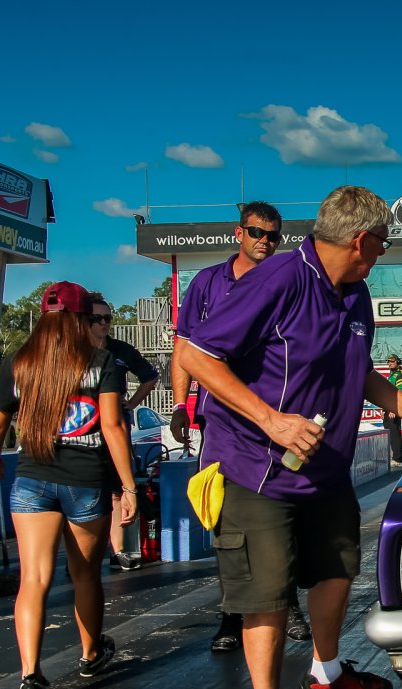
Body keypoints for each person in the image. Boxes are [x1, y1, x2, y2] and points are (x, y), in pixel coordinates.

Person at [179, 185, 402, 689]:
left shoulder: (356, 295)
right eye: (383, 243)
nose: (384, 254)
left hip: (325, 469)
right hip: (256, 468)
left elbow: (359, 373)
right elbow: (194, 354)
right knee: (267, 591)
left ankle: (326, 670)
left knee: (338, 567)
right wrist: (271, 420)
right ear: (361, 239)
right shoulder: (279, 279)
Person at [0, 282, 138, 689]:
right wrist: (128, 486)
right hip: (86, 482)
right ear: (81, 319)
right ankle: (90, 654)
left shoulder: (19, 362)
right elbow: (113, 427)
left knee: (33, 579)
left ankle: (31, 675)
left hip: (32, 479)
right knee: (85, 574)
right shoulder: (102, 362)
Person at [168, 202, 311, 651]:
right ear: (238, 233)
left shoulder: (289, 279)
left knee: (281, 518)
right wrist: (179, 403)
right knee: (226, 522)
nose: (264, 241)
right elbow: (184, 346)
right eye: (256, 233)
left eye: (273, 236)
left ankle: (287, 605)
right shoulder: (208, 283)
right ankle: (232, 615)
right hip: (224, 423)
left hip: (278, 420)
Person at [88, 293, 159, 571]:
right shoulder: (72, 352)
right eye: (97, 319)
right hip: (80, 433)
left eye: (108, 318)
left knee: (117, 491)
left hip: (116, 428)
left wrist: (131, 403)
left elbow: (150, 377)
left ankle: (118, 552)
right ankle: (81, 555)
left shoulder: (120, 350)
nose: (104, 324)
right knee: (84, 493)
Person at [385, 354, 402, 465]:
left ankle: (397, 458)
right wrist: (384, 409)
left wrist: (394, 409)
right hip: (389, 407)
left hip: (394, 408)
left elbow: (400, 394)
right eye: (388, 361)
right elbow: (387, 394)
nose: (389, 363)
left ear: (398, 362)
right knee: (391, 429)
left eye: (392, 361)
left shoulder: (399, 375)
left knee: (393, 432)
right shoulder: (392, 375)